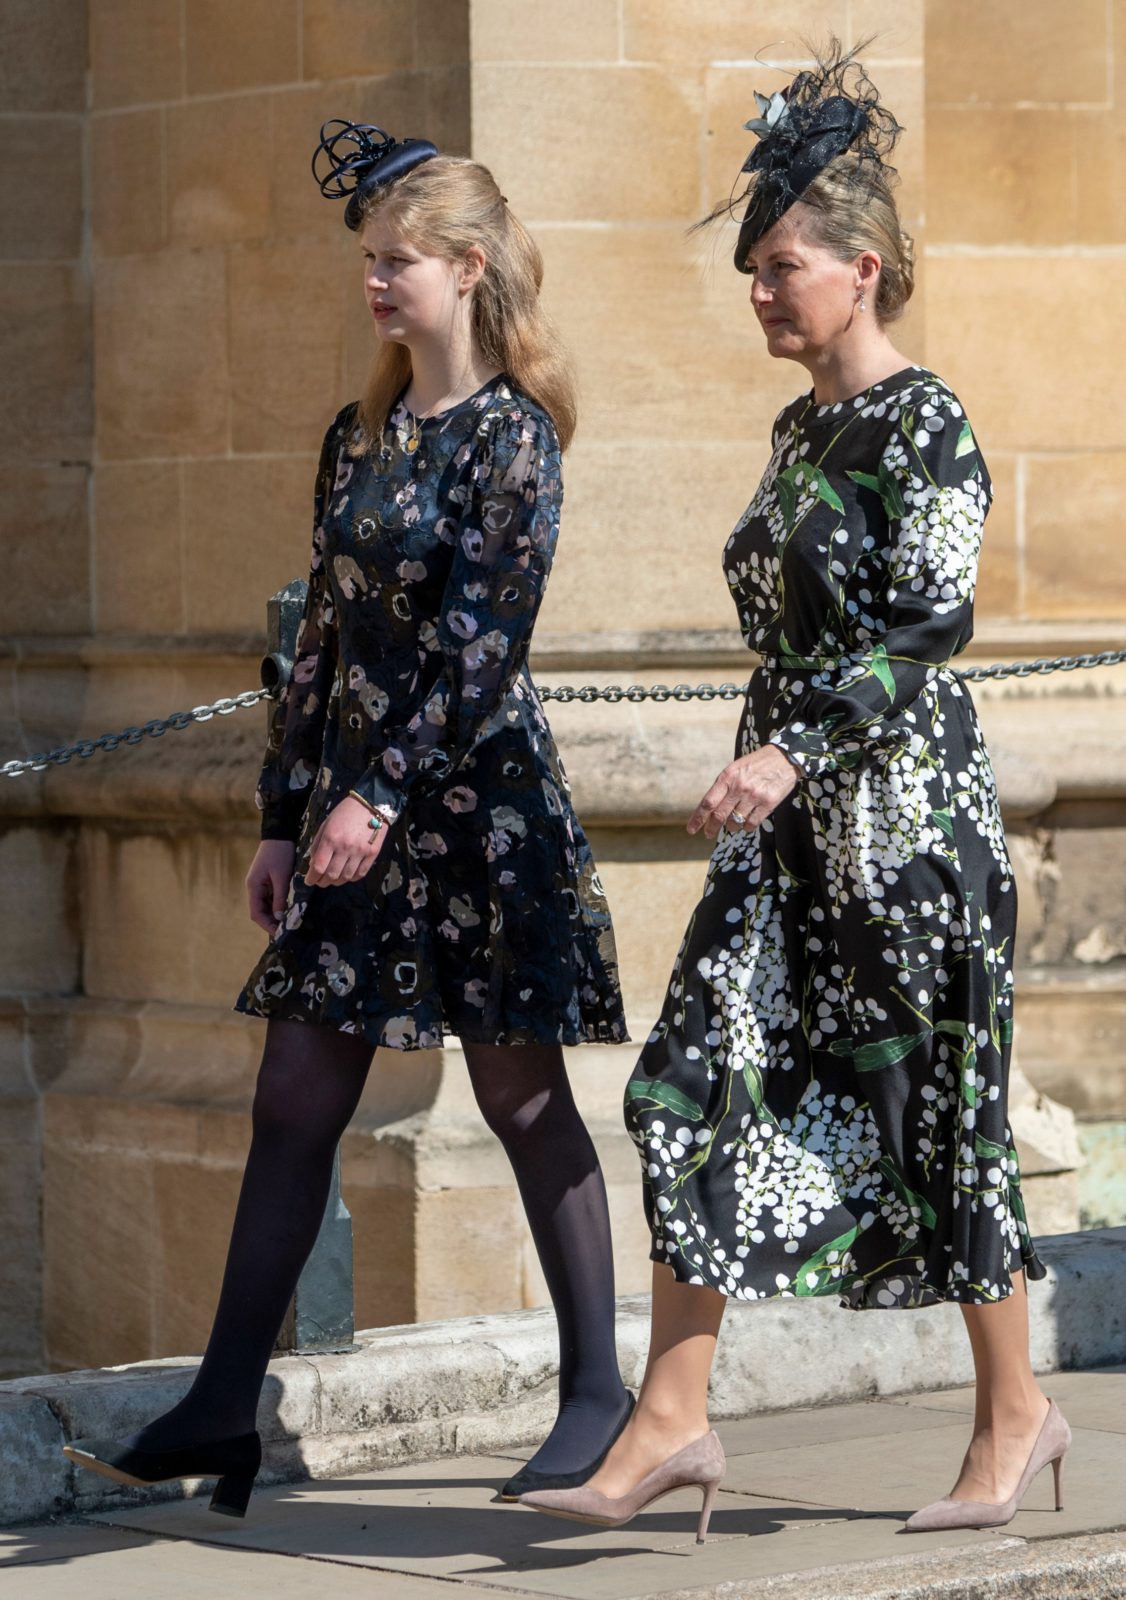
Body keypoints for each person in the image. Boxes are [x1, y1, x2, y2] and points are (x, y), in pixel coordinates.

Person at [518, 44, 1069, 1543]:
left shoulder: (923, 421)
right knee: (688, 1080)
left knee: (926, 1117)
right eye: (753, 268)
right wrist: (773, 762)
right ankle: (673, 1418)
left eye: (782, 268)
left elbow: (926, 626)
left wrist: (787, 749)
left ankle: (1015, 1411)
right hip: (791, 844)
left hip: (901, 831)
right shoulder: (794, 431)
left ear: (861, 270)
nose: (759, 292)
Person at [63, 120, 634, 1517]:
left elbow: (483, 652)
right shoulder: (362, 431)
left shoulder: (516, 440)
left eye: (400, 262)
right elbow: (317, 643)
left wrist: (379, 794)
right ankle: (221, 1404)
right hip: (350, 821)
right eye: (369, 261)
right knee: (291, 1102)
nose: (376, 284)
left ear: (472, 265)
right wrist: (282, 812)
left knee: (517, 1095)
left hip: (479, 822)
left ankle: (597, 1395)